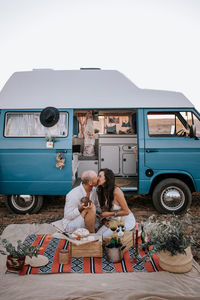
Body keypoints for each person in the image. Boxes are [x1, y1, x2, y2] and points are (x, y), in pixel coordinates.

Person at [96, 168, 136, 238]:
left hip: (124, 221)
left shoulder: (116, 192)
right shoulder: (101, 190)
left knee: (103, 238)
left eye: (100, 176)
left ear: (107, 179)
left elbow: (126, 212)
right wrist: (105, 220)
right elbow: (104, 209)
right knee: (97, 236)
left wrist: (109, 214)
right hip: (113, 220)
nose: (97, 178)